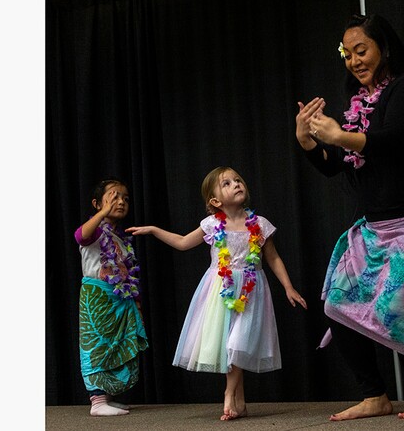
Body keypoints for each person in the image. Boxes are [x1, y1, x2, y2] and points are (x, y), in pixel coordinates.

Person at [295, 14, 404, 421]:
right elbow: (339, 164)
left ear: (383, 48)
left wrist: (338, 136)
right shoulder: (357, 106)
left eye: (361, 50)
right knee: (338, 303)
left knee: (395, 313)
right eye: (347, 54)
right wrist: (308, 140)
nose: (354, 60)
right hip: (375, 226)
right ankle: (375, 396)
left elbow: (393, 142)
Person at [126, 166, 307, 421]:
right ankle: (240, 402)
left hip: (251, 290)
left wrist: (288, 287)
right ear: (215, 201)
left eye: (237, 180)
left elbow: (273, 257)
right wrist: (154, 230)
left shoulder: (260, 224)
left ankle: (228, 394)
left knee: (238, 344)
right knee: (230, 345)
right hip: (219, 288)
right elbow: (181, 242)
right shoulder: (212, 224)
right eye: (227, 183)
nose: (236, 184)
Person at [74, 178, 148, 416]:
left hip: (118, 299)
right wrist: (103, 213)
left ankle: (107, 396)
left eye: (125, 198)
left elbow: (126, 275)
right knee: (97, 346)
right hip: (97, 297)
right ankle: (97, 401)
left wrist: (135, 304)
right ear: (97, 203)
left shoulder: (120, 237)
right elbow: (80, 236)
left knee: (115, 345)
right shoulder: (94, 230)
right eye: (114, 196)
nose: (121, 202)